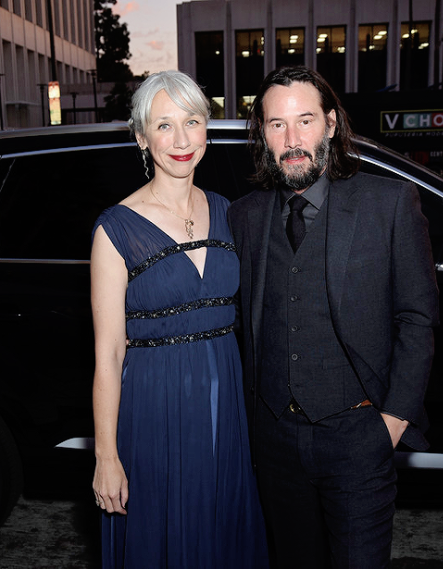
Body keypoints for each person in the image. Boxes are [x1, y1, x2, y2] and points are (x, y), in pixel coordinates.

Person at [227, 66, 439, 569]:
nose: (292, 138)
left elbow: (417, 318)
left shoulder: (388, 204)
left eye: (305, 120)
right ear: (262, 134)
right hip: (274, 442)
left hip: (359, 437)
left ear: (331, 123)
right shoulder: (245, 216)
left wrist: (392, 421)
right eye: (276, 124)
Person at [91, 70, 268, 568]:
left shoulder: (227, 210)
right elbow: (107, 352)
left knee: (222, 529)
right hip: (154, 406)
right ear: (141, 136)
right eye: (163, 125)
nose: (181, 139)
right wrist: (106, 457)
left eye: (191, 121)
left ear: (206, 129)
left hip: (226, 405)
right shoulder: (115, 228)